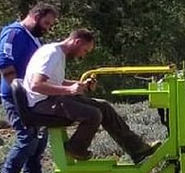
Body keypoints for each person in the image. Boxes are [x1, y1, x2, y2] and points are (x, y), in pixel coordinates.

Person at [24, 28, 159, 163]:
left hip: (53, 99)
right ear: (77, 42)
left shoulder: (57, 54)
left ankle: (137, 150)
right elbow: (36, 85)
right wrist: (70, 90)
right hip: (42, 104)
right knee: (93, 114)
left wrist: (80, 84)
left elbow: (56, 82)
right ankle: (76, 149)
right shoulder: (52, 54)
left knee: (104, 107)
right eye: (85, 51)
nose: (82, 55)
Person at [0, 3, 58, 173]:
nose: (47, 28)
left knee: (38, 144)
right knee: (27, 138)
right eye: (46, 22)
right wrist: (19, 93)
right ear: (36, 15)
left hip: (34, 99)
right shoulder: (14, 33)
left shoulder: (35, 41)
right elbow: (5, 64)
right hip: (18, 98)